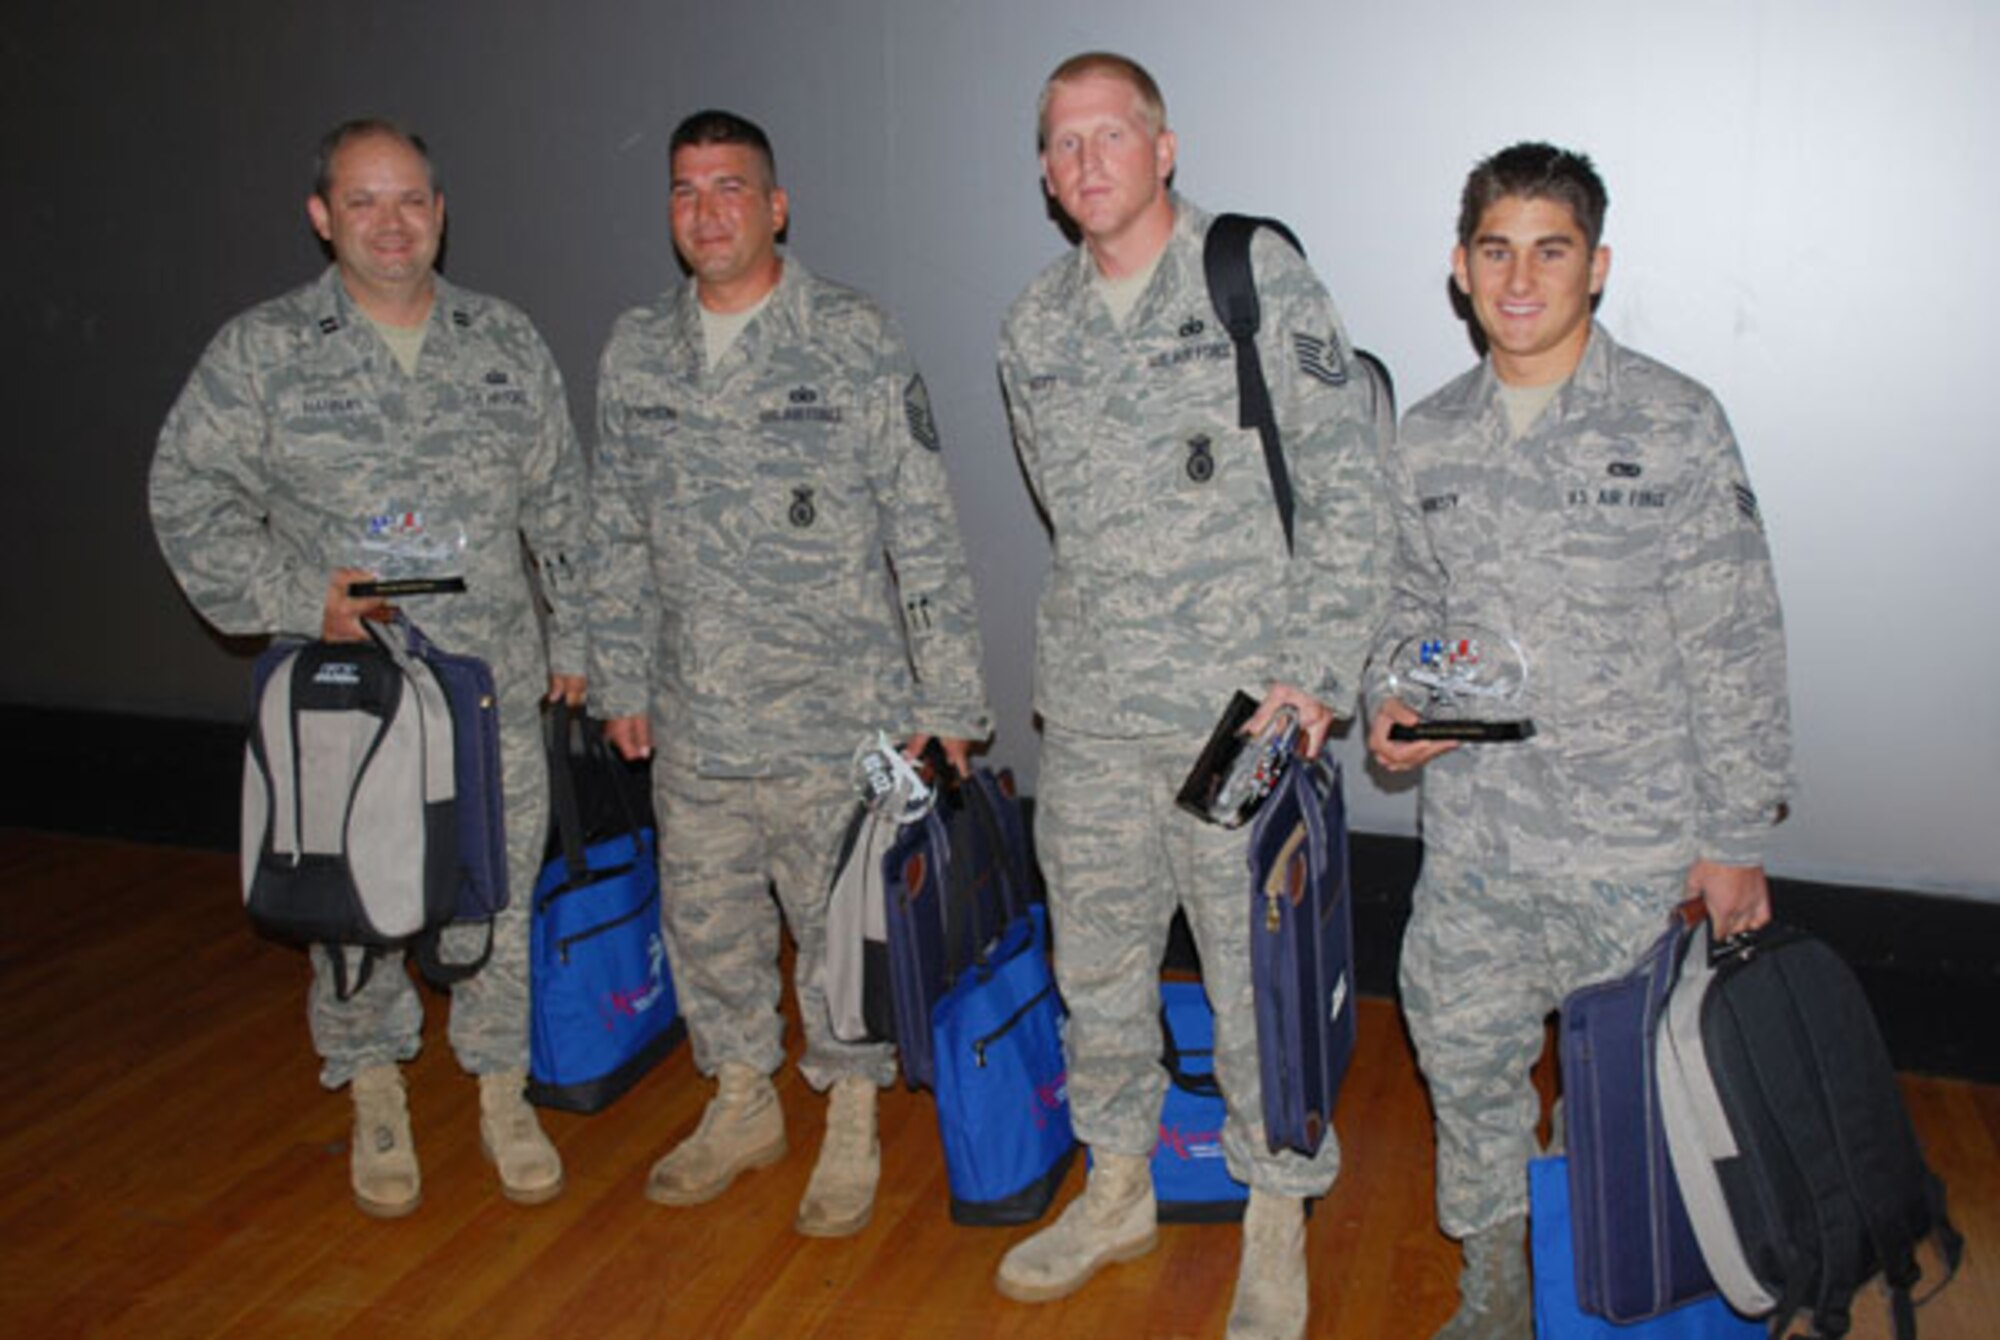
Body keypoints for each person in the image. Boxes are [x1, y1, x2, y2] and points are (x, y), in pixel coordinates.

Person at [1366, 142, 1793, 1338]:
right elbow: (1399, 615)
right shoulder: (1429, 437)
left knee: (1632, 1103)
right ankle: (1496, 1283)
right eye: (1493, 249)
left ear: (1594, 267)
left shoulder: (1671, 421)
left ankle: (1608, 1284)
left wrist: (1733, 839)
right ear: (1458, 269)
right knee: (1465, 1068)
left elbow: (1735, 640)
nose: (1518, 276)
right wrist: (1389, 710)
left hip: (1636, 855)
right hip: (1478, 851)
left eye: (1548, 249)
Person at [993, 54, 1383, 1340]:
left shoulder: (1249, 276)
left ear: (1164, 149)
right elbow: (1070, 514)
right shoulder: (1032, 328)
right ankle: (1114, 1186)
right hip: (1093, 718)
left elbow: (1345, 485)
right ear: (1046, 172)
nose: (1087, 160)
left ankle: (1275, 1210)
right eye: (1064, 142)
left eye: (1112, 135)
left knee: (1251, 983)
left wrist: (1314, 673)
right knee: (1094, 970)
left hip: (1240, 720)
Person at [150, 118, 588, 1218]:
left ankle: (499, 1088)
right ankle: (376, 1085)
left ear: (441, 212)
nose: (391, 225)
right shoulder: (262, 352)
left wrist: (582, 641)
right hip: (350, 693)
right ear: (321, 217)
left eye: (411, 201)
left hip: (487, 684)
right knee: (352, 898)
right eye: (363, 202)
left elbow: (565, 509)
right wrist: (299, 602)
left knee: (492, 891)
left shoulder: (503, 340)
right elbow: (185, 496)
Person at [589, 109, 991, 1238]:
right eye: (682, 189)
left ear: (775, 207)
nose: (705, 210)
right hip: (697, 714)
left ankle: (852, 1112)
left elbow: (922, 526)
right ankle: (740, 1099)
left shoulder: (853, 334)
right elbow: (611, 525)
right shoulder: (636, 349)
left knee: (839, 936)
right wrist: (618, 674)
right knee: (706, 925)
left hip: (838, 718)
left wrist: (947, 698)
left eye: (729, 187)